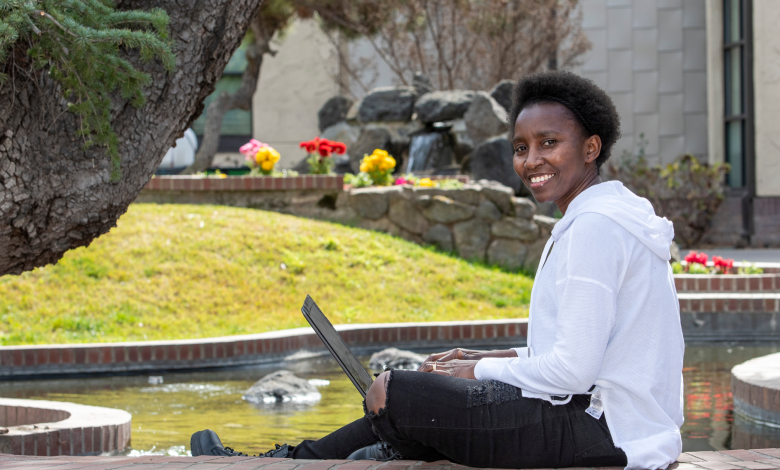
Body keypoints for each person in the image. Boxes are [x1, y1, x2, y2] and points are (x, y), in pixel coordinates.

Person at [190, 70, 684, 469]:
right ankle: (296, 460)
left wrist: (475, 369)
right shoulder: (609, 217)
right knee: (418, 390)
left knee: (397, 393)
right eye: (520, 147)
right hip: (607, 424)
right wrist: (484, 357)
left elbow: (572, 371)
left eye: (549, 143)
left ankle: (310, 459)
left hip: (601, 436)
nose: (532, 159)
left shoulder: (595, 228)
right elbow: (586, 352)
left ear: (591, 147)